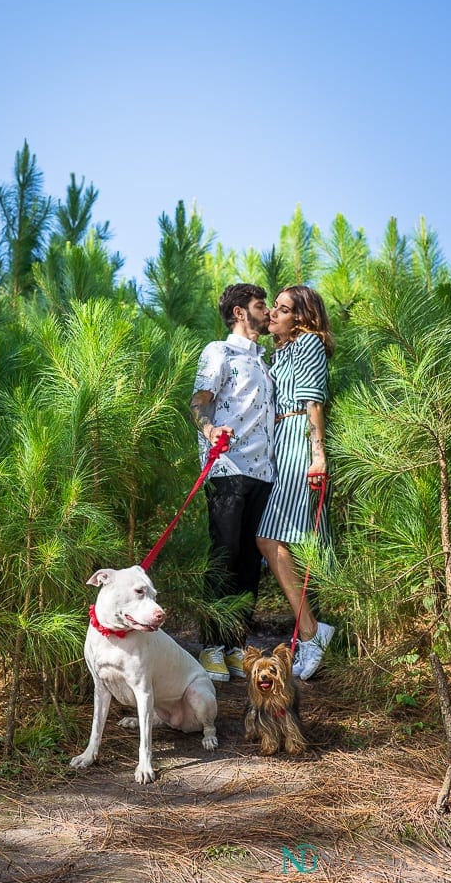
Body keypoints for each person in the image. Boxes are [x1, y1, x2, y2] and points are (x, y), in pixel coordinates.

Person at [190, 283, 275, 682]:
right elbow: (198, 402)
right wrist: (209, 431)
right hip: (226, 467)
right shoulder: (218, 352)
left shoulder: (264, 361)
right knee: (223, 555)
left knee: (248, 560)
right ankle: (210, 647)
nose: (268, 311)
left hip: (263, 473)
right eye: (261, 305)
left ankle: (237, 645)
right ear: (240, 313)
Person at [256, 284, 336, 681]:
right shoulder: (280, 351)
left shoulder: (308, 345)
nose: (272, 312)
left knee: (268, 538)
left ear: (301, 319)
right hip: (278, 447)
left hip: (299, 443)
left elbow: (313, 403)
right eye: (273, 306)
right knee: (289, 539)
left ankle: (311, 632)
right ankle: (314, 630)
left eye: (282, 309)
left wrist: (318, 454)